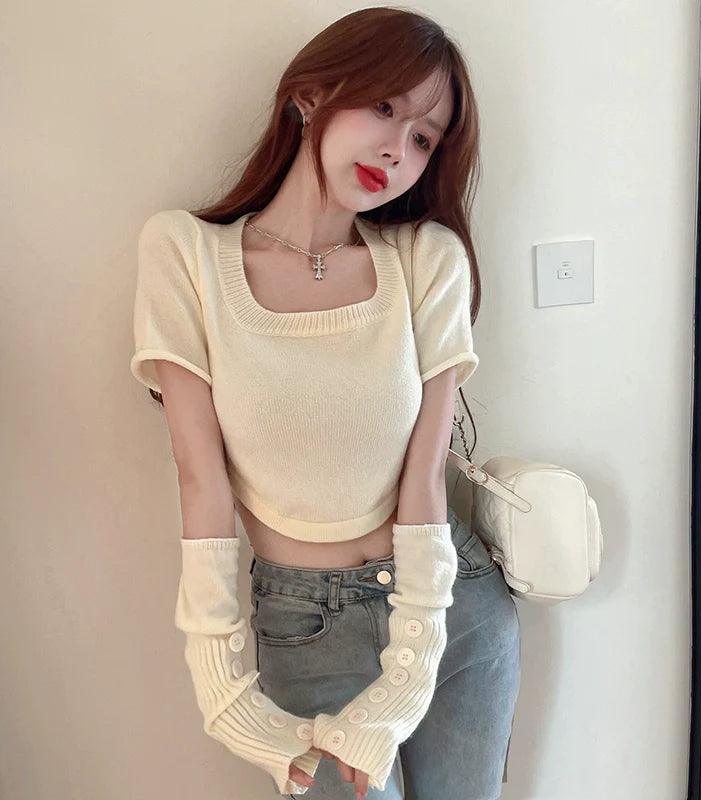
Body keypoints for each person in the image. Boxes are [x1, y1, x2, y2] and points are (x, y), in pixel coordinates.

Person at [129, 7, 521, 799]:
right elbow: (200, 482)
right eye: (384, 107)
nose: (397, 149)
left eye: (424, 137)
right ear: (309, 96)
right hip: (305, 627)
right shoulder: (186, 254)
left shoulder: (426, 259)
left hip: (450, 605)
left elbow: (425, 481)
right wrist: (223, 692)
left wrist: (409, 672)